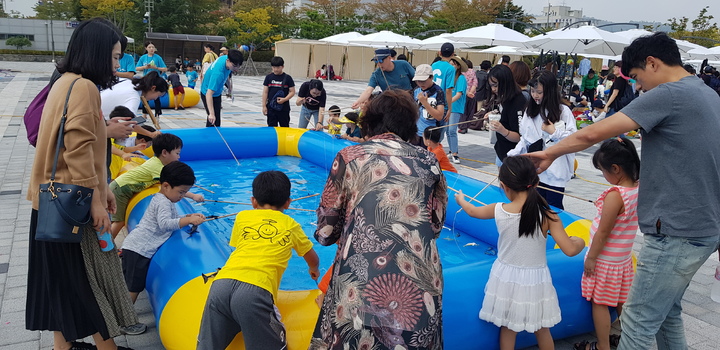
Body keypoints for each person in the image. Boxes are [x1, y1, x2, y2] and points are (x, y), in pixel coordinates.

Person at [525, 32, 720, 350]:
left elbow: (593, 134)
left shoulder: (669, 94)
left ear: (653, 63)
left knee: (637, 322)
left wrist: (550, 153)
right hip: (703, 231)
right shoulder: (708, 95)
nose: (639, 88)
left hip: (676, 233)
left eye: (639, 78)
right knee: (667, 315)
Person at [26, 18, 138, 350]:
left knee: (61, 283)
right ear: (97, 53)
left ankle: (63, 347)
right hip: (71, 204)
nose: (117, 65)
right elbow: (76, 149)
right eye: (115, 57)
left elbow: (81, 140)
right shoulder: (85, 88)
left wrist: (103, 188)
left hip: (49, 201)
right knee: (89, 284)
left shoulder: (63, 81)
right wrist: (95, 202)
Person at [310, 90, 448, 349]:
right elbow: (436, 225)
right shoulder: (429, 160)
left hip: (360, 283)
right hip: (422, 284)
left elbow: (326, 231)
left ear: (369, 122)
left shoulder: (350, 157)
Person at [455, 156, 584, 350]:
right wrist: (580, 240)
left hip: (506, 276)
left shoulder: (499, 209)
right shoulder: (548, 215)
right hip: (536, 279)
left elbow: (473, 212)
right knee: (542, 328)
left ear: (504, 186)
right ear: (536, 182)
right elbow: (570, 249)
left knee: (508, 326)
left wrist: (461, 200)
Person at [197, 171, 320, 350]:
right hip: (255, 291)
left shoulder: (242, 217)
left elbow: (239, 247)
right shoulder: (291, 225)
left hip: (221, 283)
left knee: (208, 345)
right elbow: (312, 257)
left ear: (253, 201)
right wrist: (313, 269)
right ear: (288, 202)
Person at [574, 138, 640, 350]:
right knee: (622, 302)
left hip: (605, 261)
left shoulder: (616, 195)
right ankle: (630, 341)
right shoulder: (638, 189)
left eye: (603, 171)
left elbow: (603, 232)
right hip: (623, 259)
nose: (603, 175)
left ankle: (602, 346)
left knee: (600, 304)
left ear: (616, 168)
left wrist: (591, 258)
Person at [121, 161, 205, 303]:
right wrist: (188, 221)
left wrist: (187, 217)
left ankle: (124, 318)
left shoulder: (163, 199)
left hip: (136, 247)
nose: (182, 196)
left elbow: (169, 219)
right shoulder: (163, 202)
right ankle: (124, 322)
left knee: (132, 286)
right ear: (166, 186)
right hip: (139, 250)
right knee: (133, 288)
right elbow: (165, 224)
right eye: (181, 192)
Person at [109, 133, 204, 239]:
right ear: (164, 152)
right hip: (121, 189)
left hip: (120, 186)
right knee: (119, 221)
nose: (179, 157)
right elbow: (175, 187)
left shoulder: (157, 162)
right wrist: (193, 196)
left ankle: (106, 241)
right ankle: (107, 246)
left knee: (114, 219)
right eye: (177, 153)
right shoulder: (157, 167)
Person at [507, 70, 576, 210]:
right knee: (535, 204)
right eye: (533, 91)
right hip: (536, 168)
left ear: (550, 91)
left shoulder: (563, 111)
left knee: (553, 207)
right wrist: (513, 154)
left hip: (556, 168)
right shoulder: (530, 111)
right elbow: (525, 138)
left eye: (539, 92)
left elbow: (574, 139)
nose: (535, 96)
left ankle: (553, 231)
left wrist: (554, 132)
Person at [484, 65, 525, 166]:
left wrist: (502, 130)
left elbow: (520, 137)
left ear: (506, 83)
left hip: (514, 156)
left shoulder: (518, 101)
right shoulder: (504, 98)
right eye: (491, 86)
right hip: (502, 150)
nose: (493, 89)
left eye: (496, 85)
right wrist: (495, 113)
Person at [351, 48, 415, 109]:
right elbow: (368, 91)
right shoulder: (376, 74)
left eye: (381, 61)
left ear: (389, 58)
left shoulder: (403, 64)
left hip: (409, 101)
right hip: (391, 104)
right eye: (376, 61)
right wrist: (358, 102)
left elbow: (416, 79)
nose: (379, 64)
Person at [201, 49, 243, 127]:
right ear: (228, 61)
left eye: (238, 66)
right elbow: (208, 94)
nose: (236, 69)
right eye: (234, 66)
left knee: (216, 120)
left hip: (216, 92)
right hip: (207, 93)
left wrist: (230, 89)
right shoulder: (218, 74)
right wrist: (211, 114)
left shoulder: (226, 59)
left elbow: (226, 75)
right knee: (213, 120)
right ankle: (210, 137)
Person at [412, 64, 446, 147]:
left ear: (431, 77)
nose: (420, 83)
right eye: (418, 81)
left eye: (423, 81)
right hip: (416, 132)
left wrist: (424, 103)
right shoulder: (417, 90)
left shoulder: (438, 92)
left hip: (430, 134)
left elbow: (439, 116)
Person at [135, 41, 167, 119]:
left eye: (153, 47)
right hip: (146, 79)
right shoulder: (143, 57)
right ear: (146, 48)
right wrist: (145, 67)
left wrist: (156, 68)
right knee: (145, 96)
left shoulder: (158, 57)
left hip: (156, 79)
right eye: (149, 47)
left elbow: (165, 68)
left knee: (157, 97)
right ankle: (144, 113)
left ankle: (157, 113)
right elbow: (136, 68)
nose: (152, 49)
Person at [262, 56, 296, 127]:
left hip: (284, 108)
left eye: (278, 67)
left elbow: (292, 92)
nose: (275, 69)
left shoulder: (288, 78)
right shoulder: (269, 77)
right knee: (271, 128)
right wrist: (264, 106)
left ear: (282, 67)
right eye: (274, 67)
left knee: (284, 127)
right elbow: (265, 92)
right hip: (271, 107)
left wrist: (285, 99)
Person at [446, 56, 468, 164]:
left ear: (458, 66)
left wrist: (448, 103)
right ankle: (451, 150)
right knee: (447, 130)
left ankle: (455, 154)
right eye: (450, 64)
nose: (451, 66)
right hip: (448, 107)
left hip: (455, 108)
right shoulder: (449, 77)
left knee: (452, 130)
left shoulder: (461, 78)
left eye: (453, 64)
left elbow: (459, 94)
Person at [432, 43, 457, 124]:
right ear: (453, 54)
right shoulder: (450, 68)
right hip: (442, 104)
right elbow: (448, 90)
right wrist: (450, 108)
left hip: (431, 100)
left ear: (440, 53)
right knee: (440, 132)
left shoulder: (433, 65)